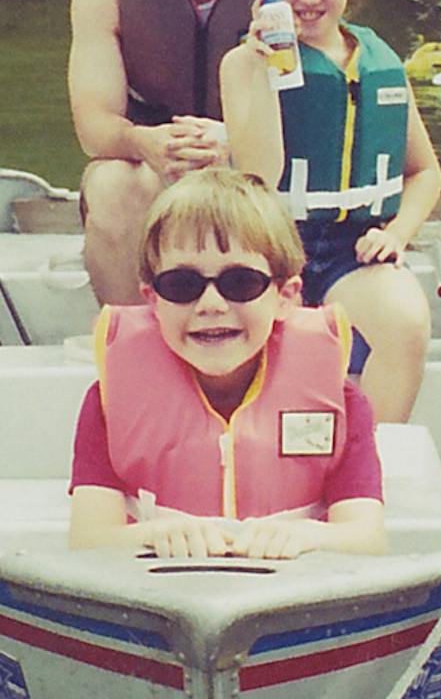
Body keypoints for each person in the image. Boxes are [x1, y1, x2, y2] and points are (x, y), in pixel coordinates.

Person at [68, 169, 386, 561]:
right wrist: (157, 535)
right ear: (153, 299)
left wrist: (306, 537)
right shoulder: (108, 403)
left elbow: (368, 538)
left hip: (292, 590)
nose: (212, 305)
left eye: (240, 283)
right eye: (182, 285)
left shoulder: (345, 403)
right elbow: (87, 539)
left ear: (285, 296)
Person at [220, 0, 441, 424]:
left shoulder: (381, 62)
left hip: (351, 249)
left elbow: (424, 171)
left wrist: (398, 233)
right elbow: (257, 175)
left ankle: (371, 463)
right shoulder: (240, 64)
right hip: (269, 247)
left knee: (406, 324)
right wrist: (265, 68)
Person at [67, 0, 269, 305]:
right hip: (159, 159)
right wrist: (146, 142)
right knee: (112, 183)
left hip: (259, 156)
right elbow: (94, 126)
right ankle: (133, 340)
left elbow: (325, 87)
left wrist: (236, 141)